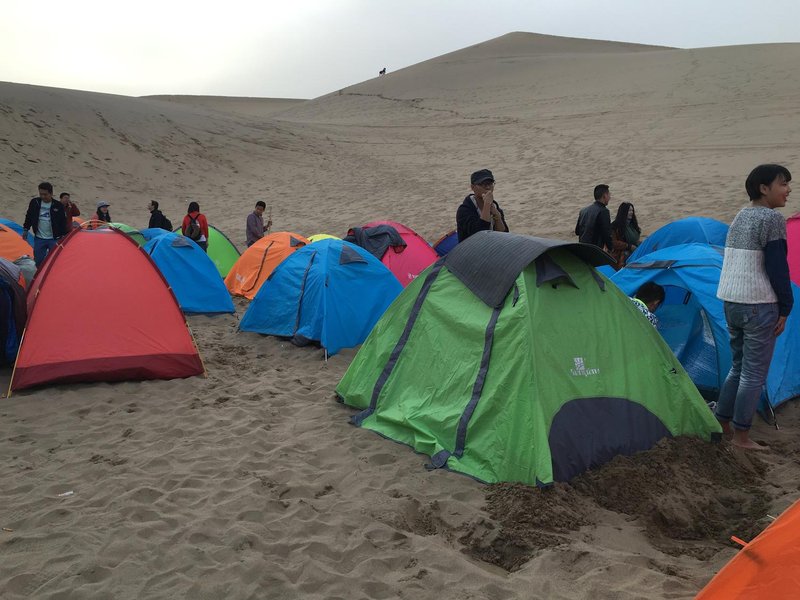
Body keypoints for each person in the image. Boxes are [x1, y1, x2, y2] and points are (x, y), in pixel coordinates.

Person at [715, 164, 793, 451]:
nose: (788, 190)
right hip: (758, 304)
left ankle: (722, 421)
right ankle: (741, 436)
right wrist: (786, 306)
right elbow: (777, 267)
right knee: (754, 374)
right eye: (783, 184)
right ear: (764, 188)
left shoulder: (741, 215)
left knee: (738, 367)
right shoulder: (772, 219)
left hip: (731, 301)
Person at [22, 182, 69, 267]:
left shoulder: (58, 205)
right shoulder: (35, 202)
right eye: (41, 194)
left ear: (51, 193)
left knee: (53, 261)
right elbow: (29, 216)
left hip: (54, 239)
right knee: (38, 261)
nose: (43, 196)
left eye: (45, 194)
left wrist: (63, 235)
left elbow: (63, 221)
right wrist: (26, 229)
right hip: (39, 238)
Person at [456, 169, 509, 242]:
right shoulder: (464, 210)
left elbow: (504, 235)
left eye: (490, 183)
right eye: (482, 184)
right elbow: (480, 234)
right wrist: (486, 205)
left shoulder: (495, 207)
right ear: (473, 187)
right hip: (472, 247)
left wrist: (497, 216)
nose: (488, 187)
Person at [575, 184, 614, 251]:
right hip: (594, 250)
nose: (610, 197)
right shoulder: (603, 211)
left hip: (581, 248)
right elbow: (606, 234)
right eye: (609, 195)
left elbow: (577, 231)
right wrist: (611, 248)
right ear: (604, 196)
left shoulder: (583, 211)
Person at [610, 202, 641, 269]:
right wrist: (629, 246)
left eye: (632, 210)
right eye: (629, 210)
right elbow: (614, 243)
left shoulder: (633, 225)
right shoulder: (615, 226)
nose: (631, 212)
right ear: (623, 212)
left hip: (634, 251)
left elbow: (636, 238)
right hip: (621, 255)